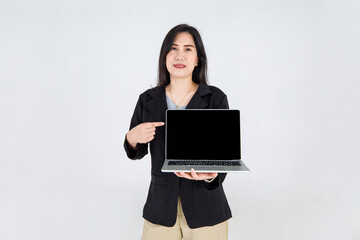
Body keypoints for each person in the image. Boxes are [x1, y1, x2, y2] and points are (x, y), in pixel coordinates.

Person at [124, 24, 232, 240]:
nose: (179, 55)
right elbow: (137, 151)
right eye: (173, 49)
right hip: (161, 208)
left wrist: (211, 177)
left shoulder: (214, 98)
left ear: (197, 59)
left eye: (188, 49)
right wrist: (131, 139)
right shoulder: (148, 100)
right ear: (164, 56)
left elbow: (224, 157)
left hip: (206, 210)